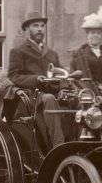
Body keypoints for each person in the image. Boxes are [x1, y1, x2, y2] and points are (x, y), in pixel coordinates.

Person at [7, 11, 64, 149]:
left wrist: (63, 88)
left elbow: (60, 74)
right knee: (49, 99)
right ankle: (59, 147)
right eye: (35, 25)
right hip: (31, 97)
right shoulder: (18, 51)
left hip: (52, 94)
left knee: (80, 99)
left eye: (42, 26)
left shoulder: (51, 53)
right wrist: (36, 79)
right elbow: (14, 76)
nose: (40, 29)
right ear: (27, 29)